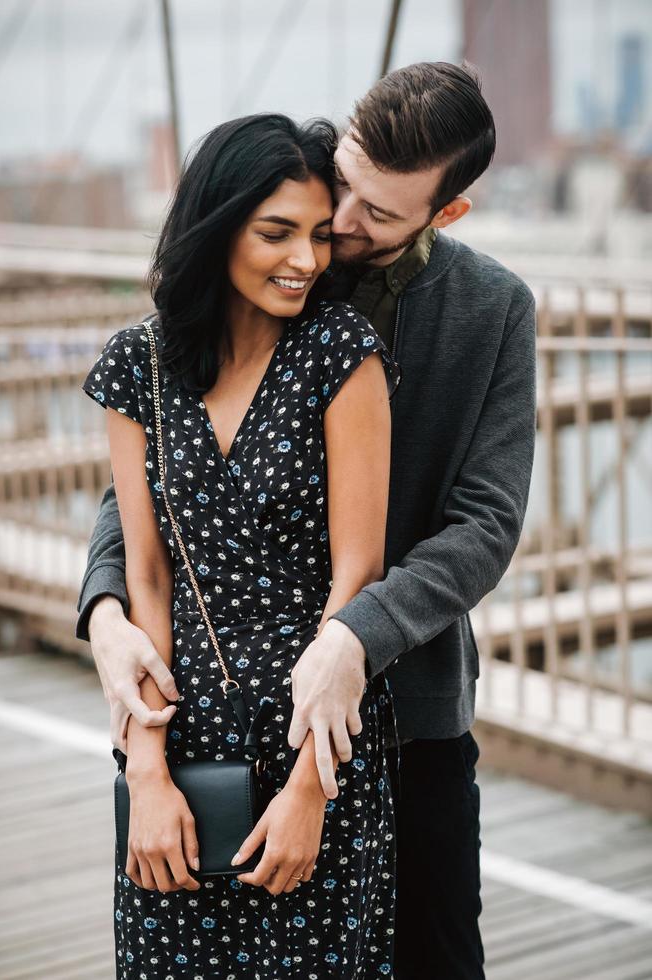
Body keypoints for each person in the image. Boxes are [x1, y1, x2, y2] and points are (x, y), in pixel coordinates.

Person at [77, 62, 537, 980]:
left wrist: (355, 639)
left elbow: (485, 525)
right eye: (347, 181)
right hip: (216, 715)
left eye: (378, 213)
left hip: (409, 715)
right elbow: (167, 474)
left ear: (446, 217)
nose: (344, 226)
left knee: (438, 956)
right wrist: (103, 612)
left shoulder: (491, 311)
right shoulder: (284, 263)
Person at [80, 112, 401, 979]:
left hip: (318, 744)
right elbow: (144, 576)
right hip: (181, 753)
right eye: (275, 233)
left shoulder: (342, 354)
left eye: (318, 236)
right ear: (216, 226)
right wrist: (144, 772)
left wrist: (310, 790)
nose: (305, 258)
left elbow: (358, 575)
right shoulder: (136, 368)